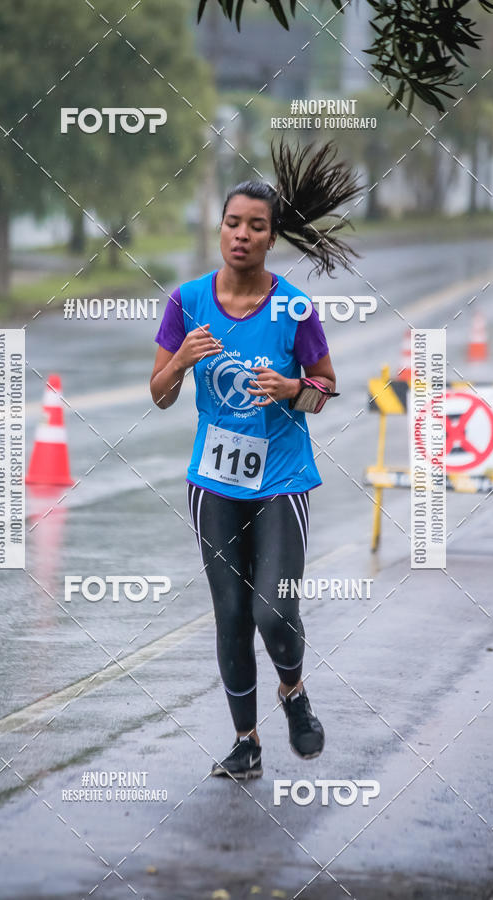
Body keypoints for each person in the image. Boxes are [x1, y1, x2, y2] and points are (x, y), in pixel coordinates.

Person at [150, 139, 361, 780]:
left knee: (274, 609)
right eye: (232, 223)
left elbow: (327, 386)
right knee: (232, 616)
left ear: (272, 239)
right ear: (219, 230)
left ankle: (293, 694)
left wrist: (296, 389)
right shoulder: (187, 302)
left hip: (281, 481)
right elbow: (159, 396)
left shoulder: (294, 308)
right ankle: (246, 743)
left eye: (256, 227)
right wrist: (182, 361)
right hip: (214, 482)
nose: (241, 235)